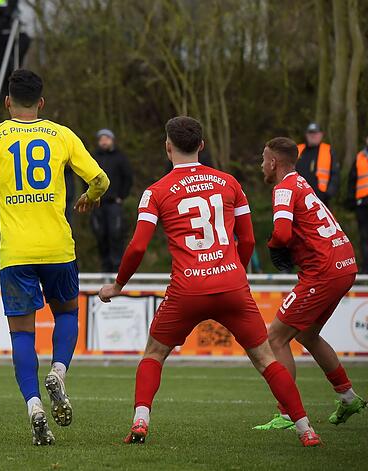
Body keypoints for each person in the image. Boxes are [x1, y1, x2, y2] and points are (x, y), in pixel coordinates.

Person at [97, 116, 320, 447]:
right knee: (265, 359)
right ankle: (306, 430)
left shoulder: (156, 191)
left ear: (168, 147)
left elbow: (139, 245)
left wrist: (118, 285)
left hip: (187, 289)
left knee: (154, 353)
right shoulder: (230, 183)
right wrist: (234, 273)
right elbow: (246, 240)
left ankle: (140, 422)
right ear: (201, 145)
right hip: (231, 284)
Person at [0, 69, 110, 445]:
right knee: (68, 314)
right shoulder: (61, 135)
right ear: (41, 103)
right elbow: (101, 179)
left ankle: (34, 407)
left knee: (22, 334)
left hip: (16, 254)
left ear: (7, 102)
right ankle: (59, 370)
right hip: (58, 247)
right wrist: (90, 198)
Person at [254, 137, 365, 430]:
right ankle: (348, 396)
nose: (261, 164)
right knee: (307, 336)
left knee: (275, 338)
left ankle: (288, 413)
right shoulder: (301, 182)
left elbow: (281, 232)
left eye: (264, 159)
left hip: (324, 270)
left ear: (274, 162)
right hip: (345, 262)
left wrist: (275, 246)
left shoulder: (283, 188)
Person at [90, 128, 133, 273]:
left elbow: (128, 177)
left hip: (114, 203)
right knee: (100, 234)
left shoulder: (120, 157)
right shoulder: (93, 157)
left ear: (112, 140)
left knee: (115, 233)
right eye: (101, 139)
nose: (104, 141)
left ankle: (117, 267)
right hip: (97, 203)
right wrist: (90, 195)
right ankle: (105, 267)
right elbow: (86, 177)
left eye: (106, 138)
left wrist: (122, 196)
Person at [296, 122, 338, 207]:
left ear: (321, 134)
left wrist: (329, 193)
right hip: (298, 197)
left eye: (315, 133)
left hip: (321, 199)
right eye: (310, 133)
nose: (313, 135)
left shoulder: (328, 150)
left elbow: (335, 174)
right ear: (306, 135)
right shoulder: (298, 150)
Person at [347, 134, 368, 273]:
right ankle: (366, 269)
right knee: (364, 237)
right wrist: (352, 201)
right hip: (363, 204)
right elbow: (352, 181)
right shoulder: (359, 157)